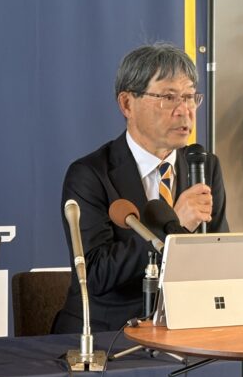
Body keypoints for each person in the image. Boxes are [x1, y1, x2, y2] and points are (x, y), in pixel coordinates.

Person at [51, 43, 228, 334]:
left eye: (189, 97)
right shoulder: (90, 174)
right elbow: (95, 275)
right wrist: (173, 224)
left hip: (185, 331)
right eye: (169, 97)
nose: (184, 111)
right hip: (106, 335)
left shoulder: (204, 167)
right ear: (127, 104)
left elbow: (220, 259)